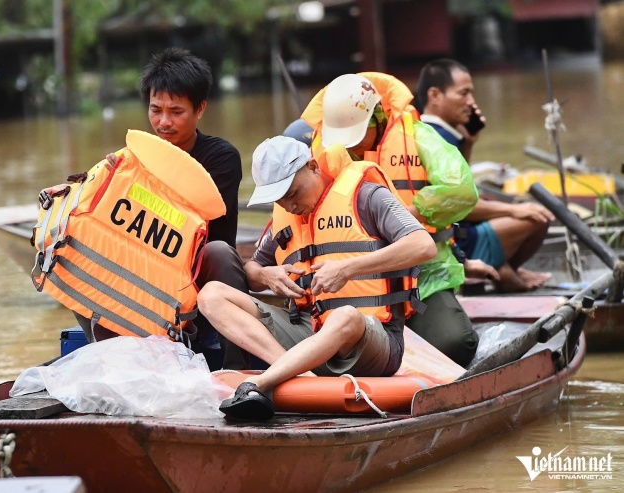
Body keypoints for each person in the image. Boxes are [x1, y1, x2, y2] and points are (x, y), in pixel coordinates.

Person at [197, 136, 436, 420]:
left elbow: (423, 245)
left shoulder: (367, 196)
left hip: (372, 343)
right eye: (279, 199)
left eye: (293, 193)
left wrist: (348, 269)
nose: (289, 205)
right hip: (310, 333)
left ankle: (261, 382)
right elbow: (252, 271)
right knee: (210, 295)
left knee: (343, 316)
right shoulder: (286, 219)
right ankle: (298, 373)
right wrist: (267, 274)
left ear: (312, 167)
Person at [39, 48, 247, 370]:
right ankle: (114, 354)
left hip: (196, 282)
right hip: (145, 275)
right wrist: (107, 183)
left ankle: (239, 368)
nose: (164, 122)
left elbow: (192, 227)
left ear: (200, 109)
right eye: (156, 110)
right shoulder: (131, 159)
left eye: (176, 111)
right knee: (74, 245)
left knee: (219, 252)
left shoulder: (220, 158)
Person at [300, 72, 486, 367]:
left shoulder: (418, 136)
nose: (352, 146)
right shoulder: (319, 149)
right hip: (352, 281)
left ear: (377, 118)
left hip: (422, 275)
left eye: (358, 135)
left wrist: (402, 219)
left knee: (455, 344)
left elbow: (461, 190)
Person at [417, 59, 555, 292]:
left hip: (448, 236)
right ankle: (501, 271)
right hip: (458, 243)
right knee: (537, 218)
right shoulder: (440, 139)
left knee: (516, 209)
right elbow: (459, 204)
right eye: (464, 93)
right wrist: (513, 209)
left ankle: (503, 269)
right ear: (435, 95)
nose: (471, 102)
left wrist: (468, 144)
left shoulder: (427, 132)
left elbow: (459, 188)